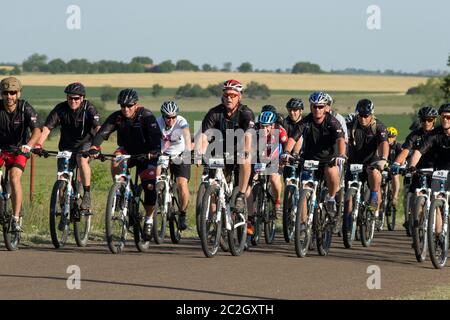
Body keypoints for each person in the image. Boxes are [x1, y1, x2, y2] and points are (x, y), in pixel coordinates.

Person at [89, 89, 161, 238]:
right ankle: (120, 188)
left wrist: (154, 151)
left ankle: (148, 219)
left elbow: (155, 137)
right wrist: (95, 147)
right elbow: (102, 133)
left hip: (146, 154)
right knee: (116, 157)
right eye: (122, 106)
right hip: (127, 151)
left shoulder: (146, 116)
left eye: (129, 106)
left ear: (136, 105)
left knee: (149, 186)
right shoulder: (117, 117)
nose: (125, 109)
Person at [195, 79, 254, 225]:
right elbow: (203, 136)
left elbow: (248, 135)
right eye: (226, 94)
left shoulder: (245, 113)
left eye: (233, 95)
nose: (229, 98)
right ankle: (215, 222)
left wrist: (246, 151)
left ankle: (240, 195)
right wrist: (198, 153)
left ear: (239, 96)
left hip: (238, 152)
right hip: (219, 152)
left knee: (245, 160)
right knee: (214, 185)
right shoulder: (214, 112)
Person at [35, 82, 101, 211]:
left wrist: (96, 146)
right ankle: (64, 210)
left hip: (85, 143)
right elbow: (47, 128)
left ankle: (86, 194)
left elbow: (98, 128)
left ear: (82, 98)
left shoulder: (89, 108)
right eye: (70, 98)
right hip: (66, 146)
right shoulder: (60, 108)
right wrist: (38, 144)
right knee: (62, 178)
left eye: (76, 98)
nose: (73, 101)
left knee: (81, 159)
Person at [283, 91, 346, 222]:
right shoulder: (305, 122)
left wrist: (341, 155)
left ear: (325, 108)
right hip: (309, 159)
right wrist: (286, 153)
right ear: (310, 107)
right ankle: (303, 225)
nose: (317, 109)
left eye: (320, 106)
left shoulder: (332, 121)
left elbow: (340, 139)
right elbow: (293, 138)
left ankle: (331, 198)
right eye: (314, 106)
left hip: (329, 159)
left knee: (332, 171)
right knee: (304, 191)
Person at [0, 77, 41, 231]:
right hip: (1, 149)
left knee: (14, 177)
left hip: (19, 150)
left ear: (18, 93)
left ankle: (16, 218)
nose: (9, 96)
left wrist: (29, 145)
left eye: (12, 93)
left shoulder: (25, 108)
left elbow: (37, 130)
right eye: (5, 93)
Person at [391, 106, 438, 229]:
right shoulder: (414, 135)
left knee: (438, 200)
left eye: (429, 119)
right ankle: (419, 230)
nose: (426, 122)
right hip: (418, 170)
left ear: (434, 120)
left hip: (437, 170)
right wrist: (396, 164)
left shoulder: (438, 133)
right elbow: (405, 151)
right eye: (423, 120)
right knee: (415, 200)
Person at [407, 103, 450, 234]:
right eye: (443, 117)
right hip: (439, 172)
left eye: (448, 117)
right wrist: (412, 166)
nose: (445, 120)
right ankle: (437, 236)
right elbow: (419, 152)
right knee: (435, 200)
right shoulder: (435, 133)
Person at [345, 99, 389, 220]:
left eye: (366, 116)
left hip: (372, 161)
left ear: (371, 114)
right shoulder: (351, 126)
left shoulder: (378, 126)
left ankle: (374, 198)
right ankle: (348, 220)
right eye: (360, 115)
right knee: (348, 193)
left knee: (374, 174)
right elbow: (341, 141)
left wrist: (383, 159)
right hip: (354, 162)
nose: (363, 119)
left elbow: (384, 143)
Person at [156, 101, 191, 231]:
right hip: (163, 154)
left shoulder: (181, 121)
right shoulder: (158, 122)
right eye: (168, 117)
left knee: (181, 183)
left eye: (173, 117)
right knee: (156, 178)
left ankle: (182, 213)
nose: (171, 120)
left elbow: (187, 136)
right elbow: (152, 138)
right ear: (163, 116)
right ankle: (160, 202)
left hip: (179, 153)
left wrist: (187, 153)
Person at [254, 109, 288, 217]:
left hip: (276, 158)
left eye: (267, 126)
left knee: (273, 178)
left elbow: (287, 145)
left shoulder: (280, 131)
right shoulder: (255, 131)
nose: (264, 129)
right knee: (253, 179)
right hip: (261, 158)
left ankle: (277, 202)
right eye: (262, 126)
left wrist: (285, 157)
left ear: (273, 125)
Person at [386, 126, 402, 209]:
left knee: (395, 176)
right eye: (388, 136)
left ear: (395, 137)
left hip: (394, 168)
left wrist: (399, 165)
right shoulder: (382, 145)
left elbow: (402, 159)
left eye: (391, 137)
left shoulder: (398, 146)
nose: (389, 139)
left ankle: (395, 197)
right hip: (384, 167)